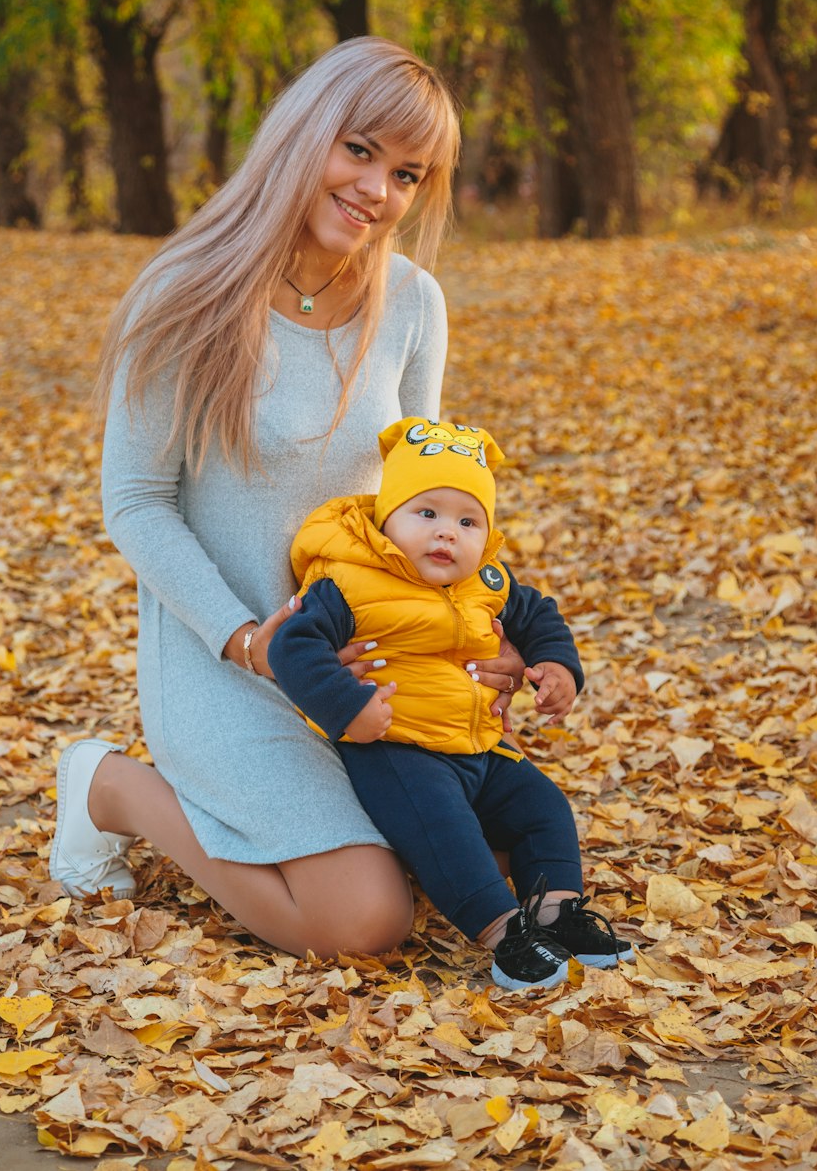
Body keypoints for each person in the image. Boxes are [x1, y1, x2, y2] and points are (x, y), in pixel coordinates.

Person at [48, 37, 525, 958]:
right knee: (364, 922)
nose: (377, 189)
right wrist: (243, 636)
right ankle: (110, 786)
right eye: (359, 150)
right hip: (222, 660)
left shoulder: (415, 303)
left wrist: (475, 630)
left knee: (498, 858)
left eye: (407, 173)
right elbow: (138, 501)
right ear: (305, 133)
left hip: (360, 660)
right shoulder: (185, 293)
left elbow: (419, 499)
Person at [267, 416, 634, 991]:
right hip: (398, 748)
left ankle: (556, 915)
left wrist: (558, 667)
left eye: (467, 521)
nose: (446, 534)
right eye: (427, 514)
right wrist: (348, 707)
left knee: (544, 808)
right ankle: (503, 934)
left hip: (480, 746)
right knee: (446, 830)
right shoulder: (350, 582)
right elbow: (295, 645)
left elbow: (539, 615)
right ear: (387, 520)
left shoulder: (485, 580)